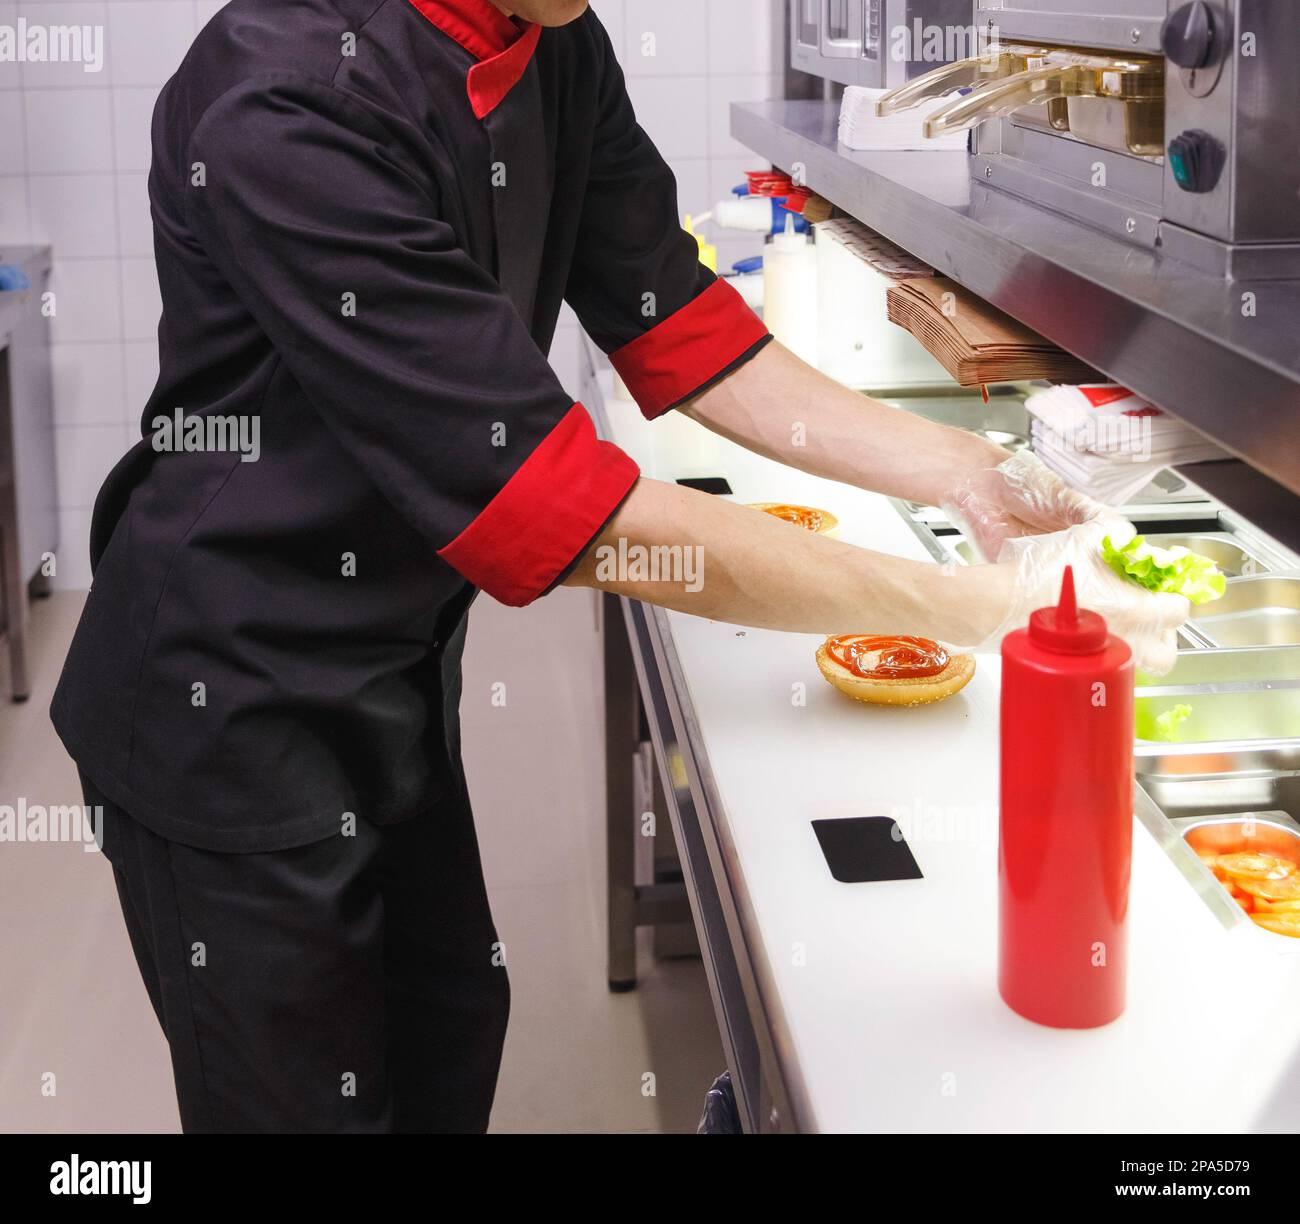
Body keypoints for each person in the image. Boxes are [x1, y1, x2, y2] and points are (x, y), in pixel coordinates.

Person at [51, 0, 1186, 1133]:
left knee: (446, 1028)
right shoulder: (284, 97)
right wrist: (963, 606)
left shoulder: (553, 40)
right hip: (229, 688)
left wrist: (965, 475)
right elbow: (551, 506)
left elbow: (680, 325)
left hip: (390, 662)